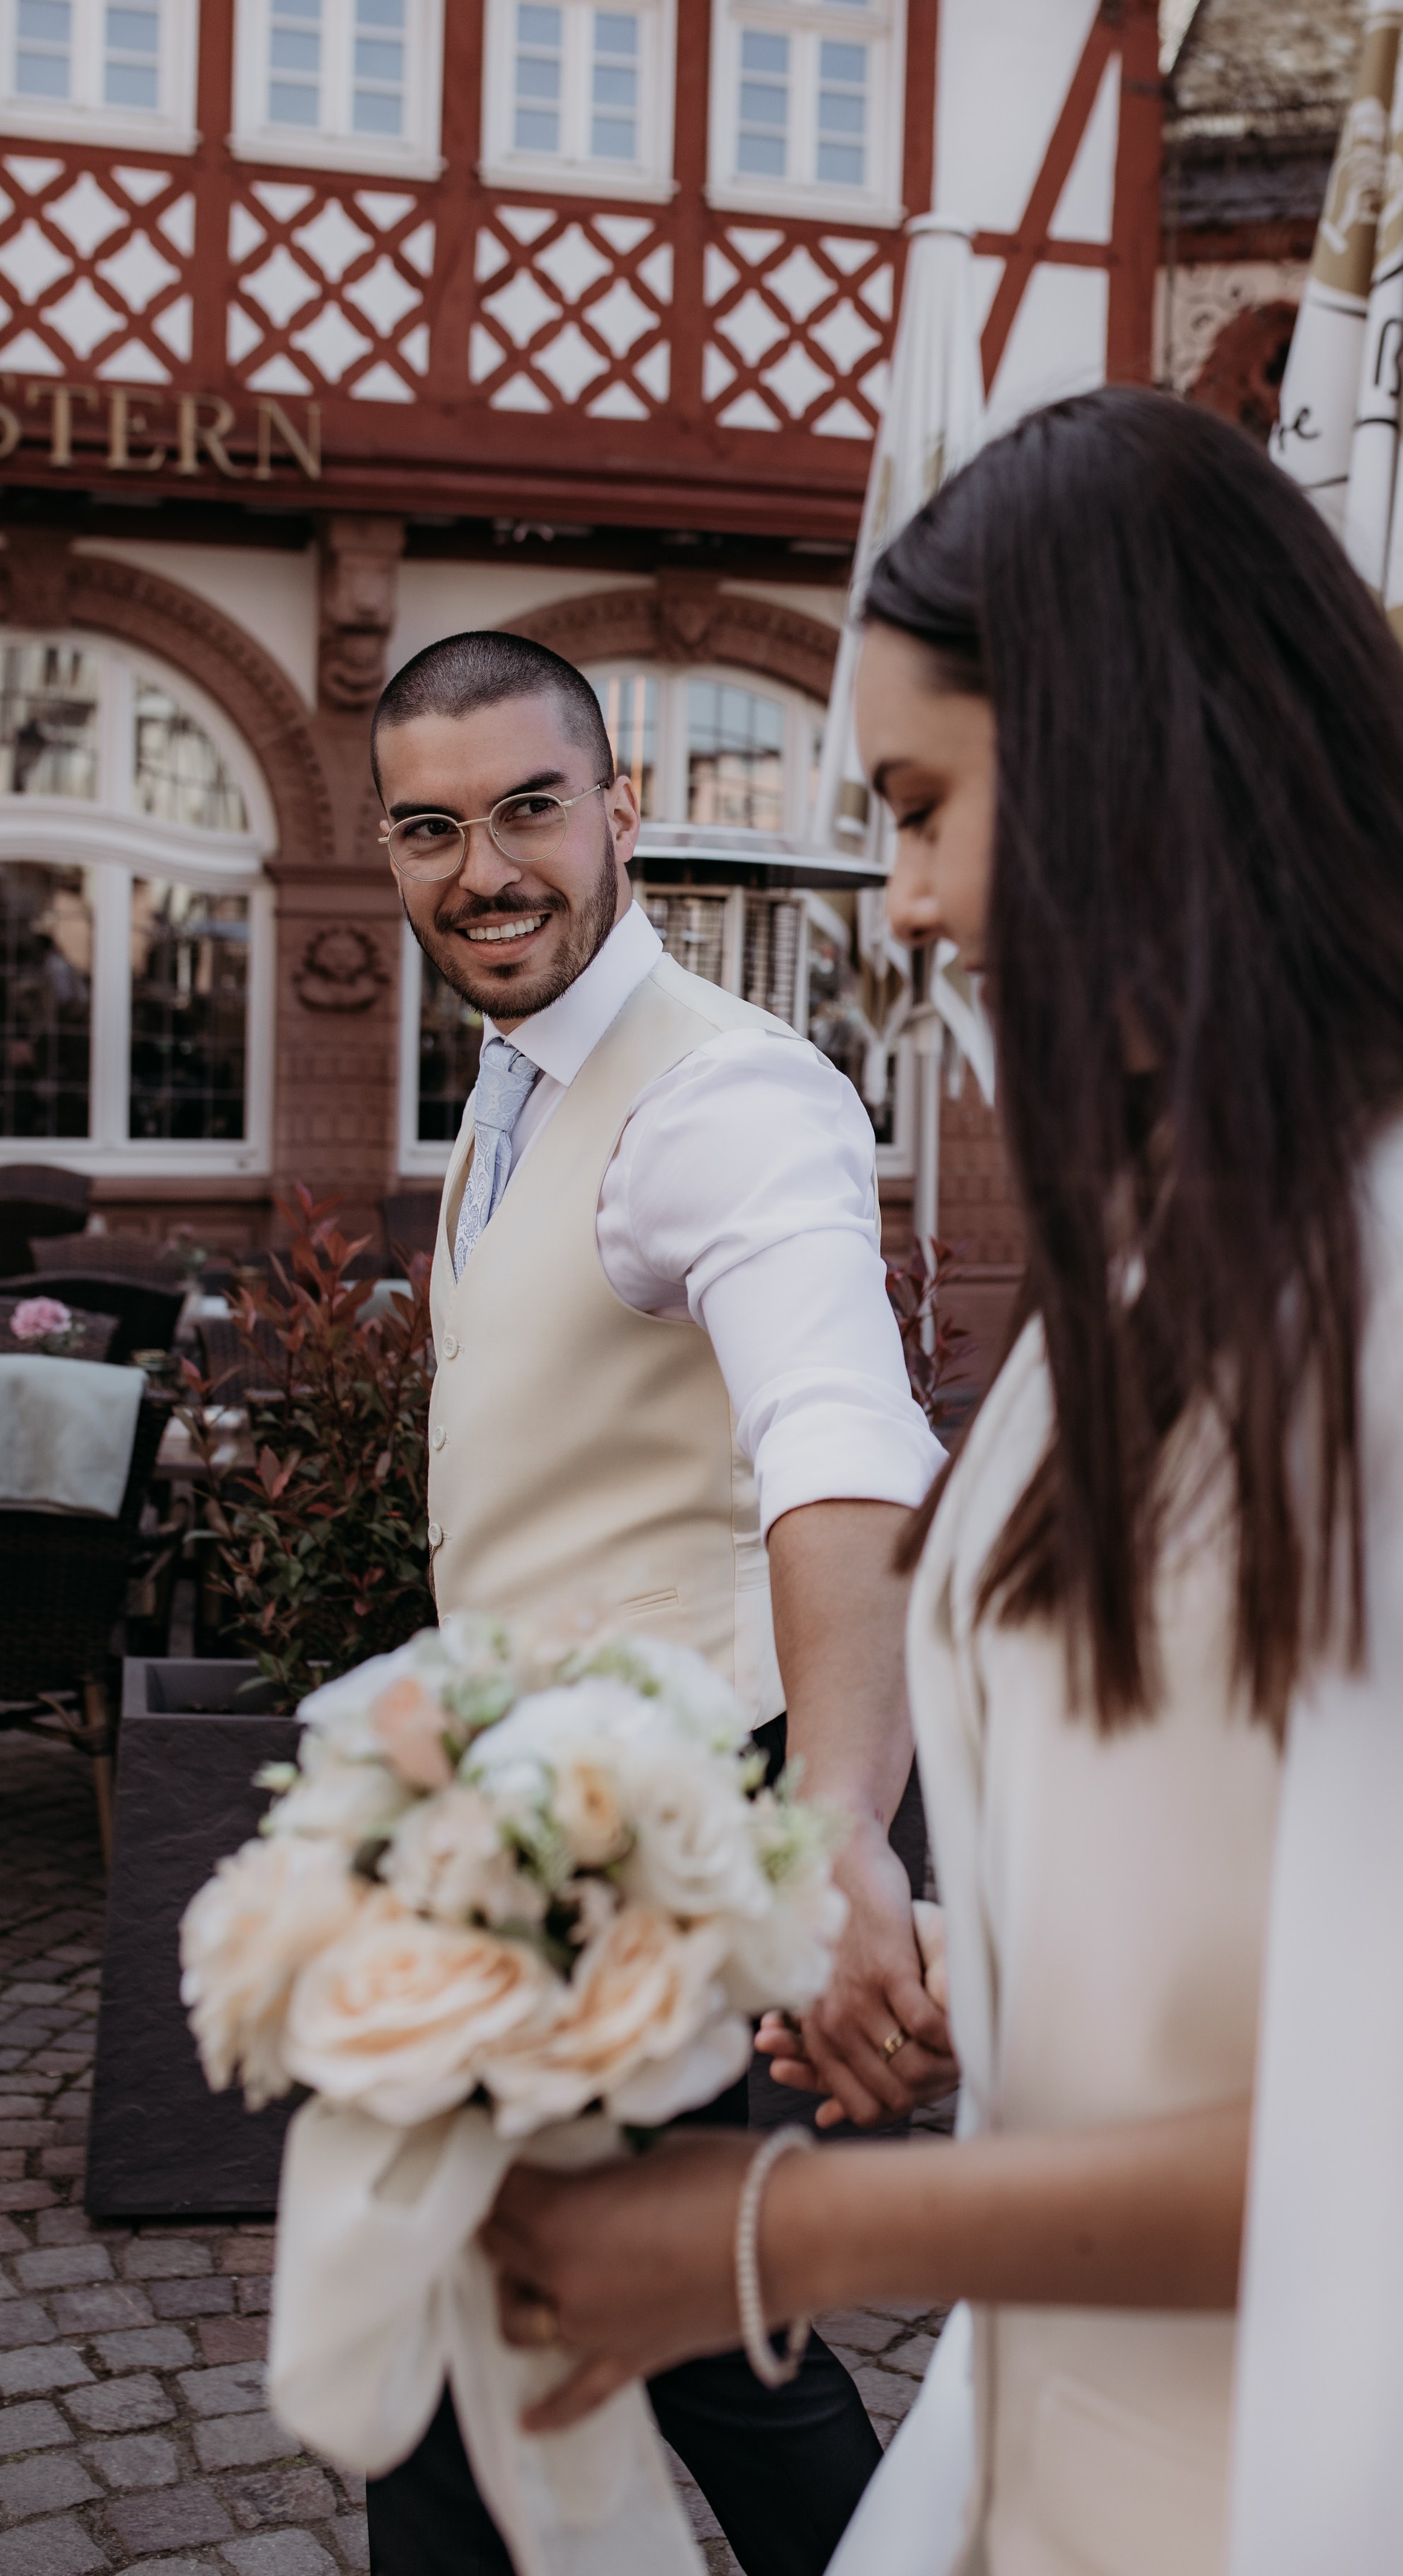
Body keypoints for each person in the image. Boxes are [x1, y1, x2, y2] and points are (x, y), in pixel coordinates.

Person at [478, 392, 1403, 2575]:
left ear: (1132, 763)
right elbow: (1241, 1892)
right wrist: (965, 1977)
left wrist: (776, 2232)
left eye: (927, 806)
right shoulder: (1168, 1255)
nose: (909, 896)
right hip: (1078, 2449)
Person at [363, 633, 955, 2576]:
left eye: (529, 809)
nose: (483, 870)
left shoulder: (725, 1091)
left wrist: (842, 1817)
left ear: (622, 810)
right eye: (430, 829)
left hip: (676, 1830)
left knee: (643, 2334)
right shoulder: (518, 1074)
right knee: (585, 2330)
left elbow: (838, 1441)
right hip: (530, 1828)